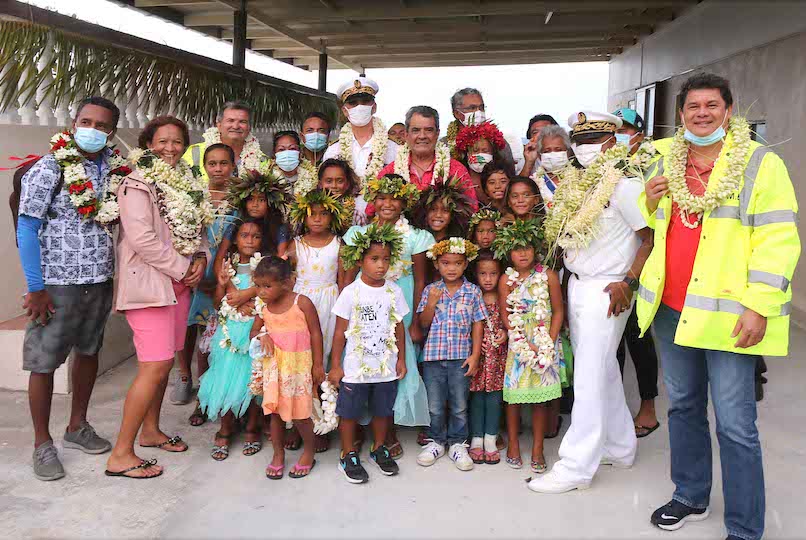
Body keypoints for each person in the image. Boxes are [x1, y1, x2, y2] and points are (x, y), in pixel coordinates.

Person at [639, 73, 800, 540]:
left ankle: (745, 528)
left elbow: (777, 239)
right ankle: (690, 495)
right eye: (693, 106)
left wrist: (760, 305)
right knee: (684, 408)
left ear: (729, 112)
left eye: (712, 105)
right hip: (672, 309)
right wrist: (648, 201)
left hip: (729, 314)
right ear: (681, 114)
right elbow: (658, 222)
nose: (702, 113)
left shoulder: (759, 163)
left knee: (735, 424)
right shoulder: (665, 159)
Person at [529, 111, 653, 494]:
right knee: (604, 370)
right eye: (580, 141)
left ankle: (576, 467)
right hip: (578, 285)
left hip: (608, 289)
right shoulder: (580, 183)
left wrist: (629, 282)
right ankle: (619, 446)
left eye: (594, 140)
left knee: (587, 378)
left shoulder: (626, 185)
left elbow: (650, 238)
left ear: (612, 142)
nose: (586, 148)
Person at [18, 96, 125, 481]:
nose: (92, 130)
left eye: (101, 125)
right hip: (56, 283)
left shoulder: (114, 169)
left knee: (89, 351)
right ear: (73, 122)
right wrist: (36, 287)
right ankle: (42, 443)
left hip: (99, 278)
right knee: (44, 362)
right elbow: (27, 227)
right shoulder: (49, 167)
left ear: (111, 131)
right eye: (86, 121)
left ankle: (77, 425)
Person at [106, 116, 211, 479]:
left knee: (164, 363)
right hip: (149, 287)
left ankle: (150, 431)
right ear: (148, 144)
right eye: (162, 141)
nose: (170, 148)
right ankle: (121, 454)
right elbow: (143, 240)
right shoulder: (136, 184)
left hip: (178, 287)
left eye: (177, 141)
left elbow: (200, 228)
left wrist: (201, 258)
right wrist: (183, 268)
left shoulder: (188, 181)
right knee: (153, 366)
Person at [343, 174, 434, 457]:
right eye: (381, 198)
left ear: (404, 202)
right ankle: (359, 425)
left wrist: (415, 321)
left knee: (393, 360)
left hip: (399, 300)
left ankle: (388, 427)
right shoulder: (358, 235)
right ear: (372, 200)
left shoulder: (416, 237)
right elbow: (347, 276)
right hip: (365, 304)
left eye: (394, 198)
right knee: (363, 356)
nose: (387, 204)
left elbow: (421, 280)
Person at [330, 223, 409, 483]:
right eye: (374, 259)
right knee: (350, 411)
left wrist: (402, 359)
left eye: (385, 259)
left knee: (382, 410)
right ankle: (348, 453)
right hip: (356, 367)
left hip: (385, 366)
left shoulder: (394, 291)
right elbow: (339, 331)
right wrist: (336, 365)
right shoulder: (351, 292)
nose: (381, 265)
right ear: (360, 260)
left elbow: (399, 327)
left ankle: (379, 448)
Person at [493, 220, 564, 473]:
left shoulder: (548, 276)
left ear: (536, 250)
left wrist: (548, 342)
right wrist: (521, 340)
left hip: (545, 343)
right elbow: (505, 315)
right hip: (519, 342)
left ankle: (537, 448)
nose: (522, 254)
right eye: (516, 249)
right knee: (514, 398)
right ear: (508, 252)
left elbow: (558, 311)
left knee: (540, 400)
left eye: (527, 248)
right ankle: (513, 443)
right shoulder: (506, 280)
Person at [179, 143, 239, 426]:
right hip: (199, 277)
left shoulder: (240, 198)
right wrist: (198, 275)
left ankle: (228, 395)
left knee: (227, 340)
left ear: (233, 165)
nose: (218, 169)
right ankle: (202, 399)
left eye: (224, 163)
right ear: (204, 166)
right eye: (212, 163)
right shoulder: (195, 197)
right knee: (204, 341)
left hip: (230, 279)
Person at [251, 256, 325, 479]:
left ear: (284, 283)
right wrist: (262, 335)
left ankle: (309, 452)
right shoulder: (263, 308)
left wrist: (318, 365)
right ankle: (278, 454)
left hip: (299, 367)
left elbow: (316, 333)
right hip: (275, 369)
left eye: (267, 286)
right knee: (275, 413)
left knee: (301, 414)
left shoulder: (301, 303)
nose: (261, 292)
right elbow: (254, 332)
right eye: (258, 286)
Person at [416, 238, 485, 471]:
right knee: (434, 405)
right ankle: (436, 441)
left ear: (465, 264)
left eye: (457, 263)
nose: (452, 268)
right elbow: (423, 323)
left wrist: (475, 355)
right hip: (433, 358)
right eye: (446, 263)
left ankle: (458, 443)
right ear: (437, 265)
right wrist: (431, 303)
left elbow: (478, 324)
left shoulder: (472, 291)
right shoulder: (431, 290)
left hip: (460, 358)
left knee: (459, 405)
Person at [198, 220, 265, 461]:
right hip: (229, 333)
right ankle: (225, 428)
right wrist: (223, 284)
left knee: (253, 379)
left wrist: (251, 302)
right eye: (244, 235)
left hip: (254, 330)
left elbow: (268, 295)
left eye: (255, 236)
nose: (250, 240)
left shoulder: (263, 267)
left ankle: (252, 427)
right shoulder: (228, 265)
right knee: (226, 379)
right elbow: (218, 303)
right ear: (235, 240)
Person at [378, 105, 477, 209]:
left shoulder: (457, 171)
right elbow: (372, 211)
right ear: (406, 134)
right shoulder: (389, 172)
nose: (422, 136)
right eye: (416, 130)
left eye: (428, 130)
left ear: (437, 134)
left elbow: (472, 211)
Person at [467, 250, 507, 465]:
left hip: (498, 357)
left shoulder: (504, 297)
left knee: (494, 397)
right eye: (483, 274)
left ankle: (491, 438)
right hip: (478, 356)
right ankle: (476, 439)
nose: (488, 279)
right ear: (476, 274)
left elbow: (512, 321)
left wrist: (505, 333)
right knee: (476, 396)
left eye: (493, 274)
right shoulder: (472, 296)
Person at [323, 76, 397, 193]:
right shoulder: (333, 150)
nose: (359, 107)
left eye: (365, 102)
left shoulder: (393, 148)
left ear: (374, 107)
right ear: (345, 111)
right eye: (353, 103)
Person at [183, 100, 264, 181]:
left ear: (249, 127)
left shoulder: (261, 160)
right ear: (219, 124)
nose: (235, 126)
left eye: (242, 122)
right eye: (230, 121)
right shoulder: (195, 153)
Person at [443, 87, 520, 172]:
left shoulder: (497, 141)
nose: (479, 112)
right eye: (472, 108)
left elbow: (510, 174)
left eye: (481, 107)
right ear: (457, 113)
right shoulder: (444, 145)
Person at [454, 121, 510, 204]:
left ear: (493, 153)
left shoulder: (502, 174)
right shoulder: (458, 177)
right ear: (467, 153)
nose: (480, 154)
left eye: (485, 151)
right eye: (475, 151)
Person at [317, 158, 368, 227]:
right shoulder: (310, 211)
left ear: (347, 184)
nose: (334, 186)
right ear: (320, 184)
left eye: (340, 181)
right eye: (329, 181)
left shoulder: (356, 215)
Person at [531, 125, 572, 210]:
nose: (553, 154)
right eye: (547, 151)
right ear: (540, 155)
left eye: (558, 149)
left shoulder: (580, 177)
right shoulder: (534, 182)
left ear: (568, 152)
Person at [271, 130, 319, 196]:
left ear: (300, 152)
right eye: (281, 149)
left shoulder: (311, 177)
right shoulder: (268, 178)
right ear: (274, 154)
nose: (287, 153)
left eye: (292, 148)